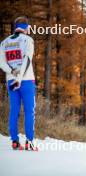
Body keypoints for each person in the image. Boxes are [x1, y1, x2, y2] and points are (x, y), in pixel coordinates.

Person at [0, 16, 37, 151]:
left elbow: (1, 63)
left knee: (14, 110)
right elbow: (27, 60)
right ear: (26, 28)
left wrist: (12, 71)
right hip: (26, 80)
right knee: (29, 111)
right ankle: (29, 142)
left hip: (11, 80)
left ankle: (15, 141)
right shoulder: (28, 40)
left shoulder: (4, 43)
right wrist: (20, 77)